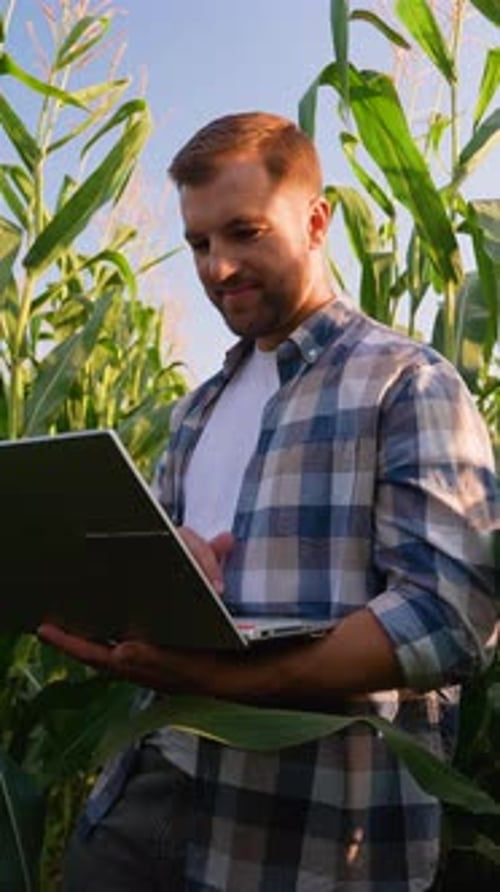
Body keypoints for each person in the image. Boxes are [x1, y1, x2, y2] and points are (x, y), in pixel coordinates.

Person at [39, 111, 498, 891]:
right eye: (198, 244)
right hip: (146, 790)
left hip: (297, 832)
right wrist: (157, 571)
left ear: (317, 221)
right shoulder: (193, 412)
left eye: (244, 232)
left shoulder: (404, 383)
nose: (218, 267)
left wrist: (224, 684)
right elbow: (170, 584)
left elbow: (450, 618)